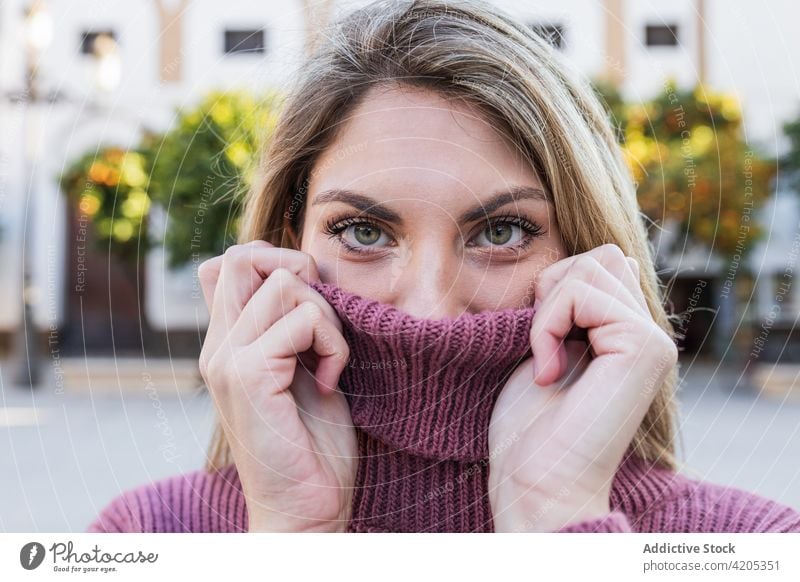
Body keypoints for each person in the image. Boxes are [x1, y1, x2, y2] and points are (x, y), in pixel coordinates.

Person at [87, 0, 799, 533]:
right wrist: (292, 542)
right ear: (284, 246)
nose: (426, 309)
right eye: (362, 230)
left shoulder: (754, 543)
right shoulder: (148, 536)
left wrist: (560, 526)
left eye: (503, 230)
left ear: (586, 248)